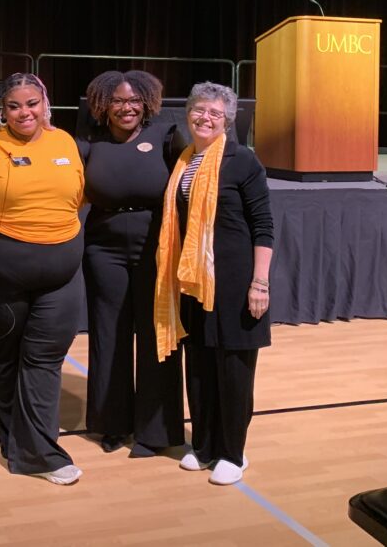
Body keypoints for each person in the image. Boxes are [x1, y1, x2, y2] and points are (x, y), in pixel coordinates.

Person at [154, 81, 273, 486]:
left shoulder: (243, 161)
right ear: (188, 113)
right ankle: (204, 446)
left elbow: (264, 226)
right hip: (195, 279)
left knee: (234, 370)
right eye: (199, 111)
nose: (205, 118)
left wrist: (260, 283)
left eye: (215, 114)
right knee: (200, 366)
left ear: (228, 119)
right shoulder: (184, 160)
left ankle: (233, 453)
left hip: (236, 280)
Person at [0, 72, 86, 485]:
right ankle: (14, 440)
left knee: (43, 360)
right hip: (5, 276)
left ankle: (39, 452)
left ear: (45, 104)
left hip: (62, 275)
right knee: (6, 360)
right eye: (15, 105)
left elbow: (77, 196)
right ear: (3, 110)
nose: (24, 112)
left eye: (32, 104)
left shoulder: (65, 142)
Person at [78, 70, 187, 457]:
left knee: (158, 336)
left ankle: (156, 431)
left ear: (147, 103)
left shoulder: (166, 137)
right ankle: (112, 424)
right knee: (109, 335)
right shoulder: (89, 143)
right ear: (103, 105)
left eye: (134, 100)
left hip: (155, 246)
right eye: (118, 101)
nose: (127, 108)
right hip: (103, 249)